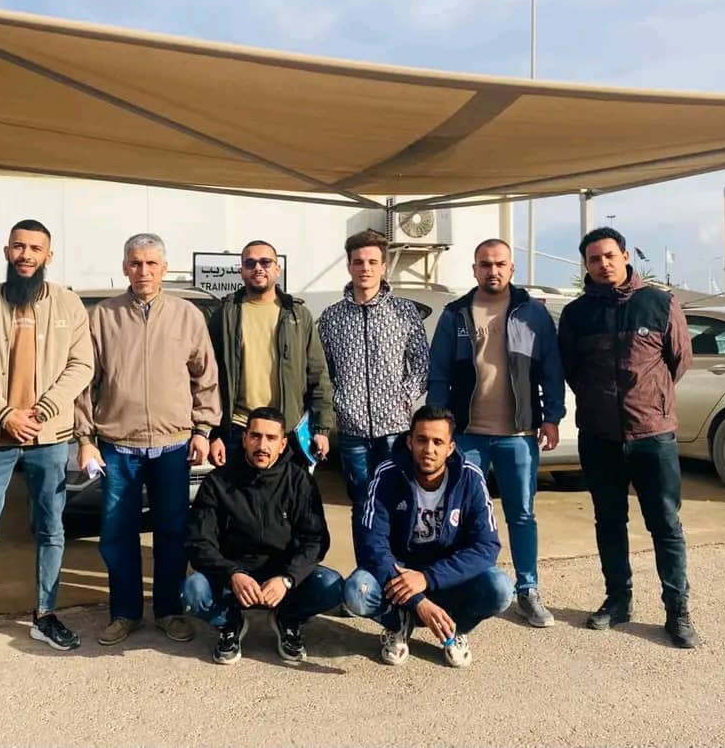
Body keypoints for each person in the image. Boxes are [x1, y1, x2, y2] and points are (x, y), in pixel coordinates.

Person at [0, 218, 94, 669]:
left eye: (35, 248)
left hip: (49, 438)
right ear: (6, 251)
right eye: (19, 246)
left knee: (51, 530)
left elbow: (81, 364)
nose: (26, 255)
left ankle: (45, 615)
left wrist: (43, 410)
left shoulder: (69, 304)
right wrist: (5, 413)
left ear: (49, 255)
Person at [75, 232, 220, 646]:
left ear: (164, 269)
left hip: (173, 446)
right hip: (119, 446)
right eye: (136, 263)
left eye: (152, 263)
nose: (144, 271)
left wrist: (203, 429)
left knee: (172, 532)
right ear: (125, 267)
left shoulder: (187, 315)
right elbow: (84, 382)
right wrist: (85, 437)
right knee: (117, 533)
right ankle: (124, 613)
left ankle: (169, 610)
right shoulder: (103, 317)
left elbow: (205, 376)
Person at [558, 226, 698, 648]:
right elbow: (572, 369)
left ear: (624, 256)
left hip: (653, 436)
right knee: (609, 522)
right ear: (586, 265)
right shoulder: (577, 314)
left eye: (609, 256)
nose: (603, 264)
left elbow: (679, 360)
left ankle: (677, 611)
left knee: (666, 524)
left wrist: (650, 401)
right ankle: (618, 600)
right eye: (594, 259)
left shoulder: (659, 303)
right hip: (599, 437)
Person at [426, 238, 565, 628]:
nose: (493, 270)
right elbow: (438, 373)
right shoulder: (455, 314)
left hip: (518, 435)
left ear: (511, 268)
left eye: (500, 264)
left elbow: (551, 369)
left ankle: (528, 590)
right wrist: (439, 424)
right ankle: (458, 585)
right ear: (474, 269)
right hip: (467, 435)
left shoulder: (533, 314)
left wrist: (552, 416)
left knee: (522, 514)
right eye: (485, 264)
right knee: (458, 513)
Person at [344, 405, 513, 668]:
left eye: (438, 442)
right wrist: (417, 601)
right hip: (400, 573)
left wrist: (427, 578)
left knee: (501, 588)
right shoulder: (387, 474)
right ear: (409, 442)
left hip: (446, 573)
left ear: (450, 447)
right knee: (357, 590)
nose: (429, 449)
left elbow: (486, 547)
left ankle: (454, 629)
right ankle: (398, 624)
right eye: (422, 440)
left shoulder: (470, 477)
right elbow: (372, 545)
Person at [182, 407, 344, 664]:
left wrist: (287, 579)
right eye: (255, 436)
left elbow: (316, 540)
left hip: (281, 577)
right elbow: (199, 542)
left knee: (332, 586)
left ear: (282, 444)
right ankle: (230, 623)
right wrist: (232, 574)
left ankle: (287, 618)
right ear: (244, 439)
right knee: (193, 591)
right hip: (234, 578)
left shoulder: (299, 481)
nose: (262, 445)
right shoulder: (217, 482)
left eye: (271, 438)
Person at [318, 229, 428, 509]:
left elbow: (421, 363)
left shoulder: (405, 312)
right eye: (358, 262)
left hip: (394, 428)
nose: (365, 268)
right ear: (349, 266)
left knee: (397, 501)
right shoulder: (332, 317)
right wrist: (339, 402)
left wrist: (405, 397)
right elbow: (323, 371)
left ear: (383, 267)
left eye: (371, 262)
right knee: (361, 502)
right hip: (351, 429)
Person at [207, 240, 333, 467]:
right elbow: (209, 377)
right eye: (250, 263)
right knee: (237, 490)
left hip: (286, 430)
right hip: (239, 429)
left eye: (265, 262)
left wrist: (321, 428)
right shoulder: (225, 314)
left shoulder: (298, 315)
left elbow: (317, 375)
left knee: (288, 490)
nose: (258, 268)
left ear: (277, 268)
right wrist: (214, 433)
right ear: (241, 270)